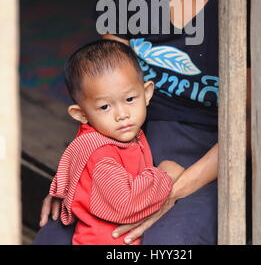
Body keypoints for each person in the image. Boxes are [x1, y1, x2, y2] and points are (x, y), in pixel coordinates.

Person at [35, 0, 251, 245]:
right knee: (54, 239)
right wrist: (77, 167)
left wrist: (175, 190)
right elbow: (103, 86)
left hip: (217, 158)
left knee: (161, 245)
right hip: (129, 143)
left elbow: (252, 125)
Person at [34, 39, 185, 245]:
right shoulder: (102, 156)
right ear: (81, 114)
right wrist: (165, 175)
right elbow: (126, 204)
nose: (122, 115)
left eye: (130, 99)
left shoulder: (115, 135)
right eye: (105, 107)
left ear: (147, 93)